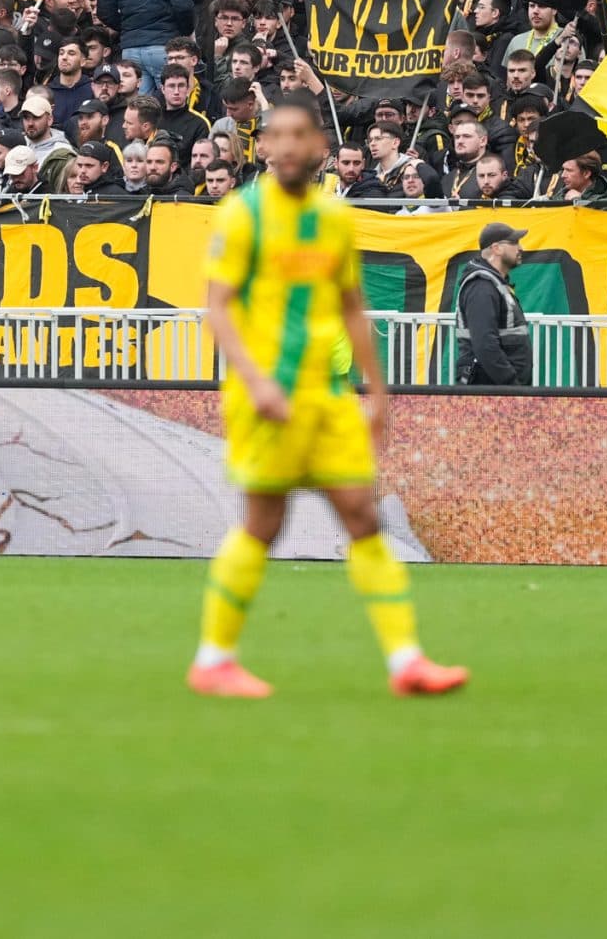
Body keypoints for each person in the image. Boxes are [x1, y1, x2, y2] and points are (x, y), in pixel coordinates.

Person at [189, 92, 469, 701]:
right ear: (262, 146)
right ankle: (213, 659)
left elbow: (349, 306)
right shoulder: (241, 214)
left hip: (329, 394)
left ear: (319, 148)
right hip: (267, 395)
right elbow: (219, 306)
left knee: (364, 517)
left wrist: (379, 393)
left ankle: (407, 660)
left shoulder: (334, 219)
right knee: (264, 525)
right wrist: (258, 381)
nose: (287, 145)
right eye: (276, 135)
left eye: (299, 134)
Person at [454, 220, 531, 386]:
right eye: (515, 243)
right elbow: (485, 344)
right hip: (490, 390)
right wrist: (511, 384)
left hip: (496, 389)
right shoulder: (481, 286)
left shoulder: (493, 283)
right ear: (496, 248)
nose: (521, 248)